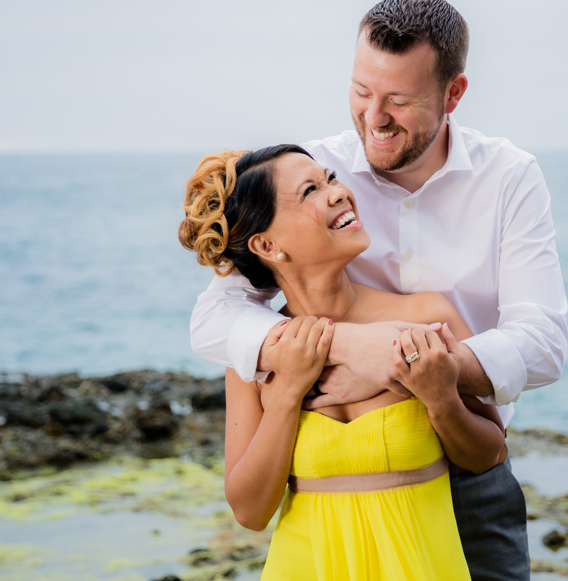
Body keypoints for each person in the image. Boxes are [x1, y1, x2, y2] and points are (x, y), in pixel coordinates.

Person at [190, 0, 568, 580]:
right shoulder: (310, 165)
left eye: (399, 100)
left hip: (466, 486)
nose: (373, 118)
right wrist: (349, 347)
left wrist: (425, 367)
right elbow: (215, 319)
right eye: (361, 93)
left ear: (453, 94)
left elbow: (542, 342)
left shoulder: (509, 177)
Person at [180, 145, 508, 580]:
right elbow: (250, 511)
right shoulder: (257, 354)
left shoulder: (428, 316)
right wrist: (285, 399)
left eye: (331, 179)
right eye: (310, 190)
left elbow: (490, 454)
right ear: (267, 245)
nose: (337, 193)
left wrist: (441, 398)